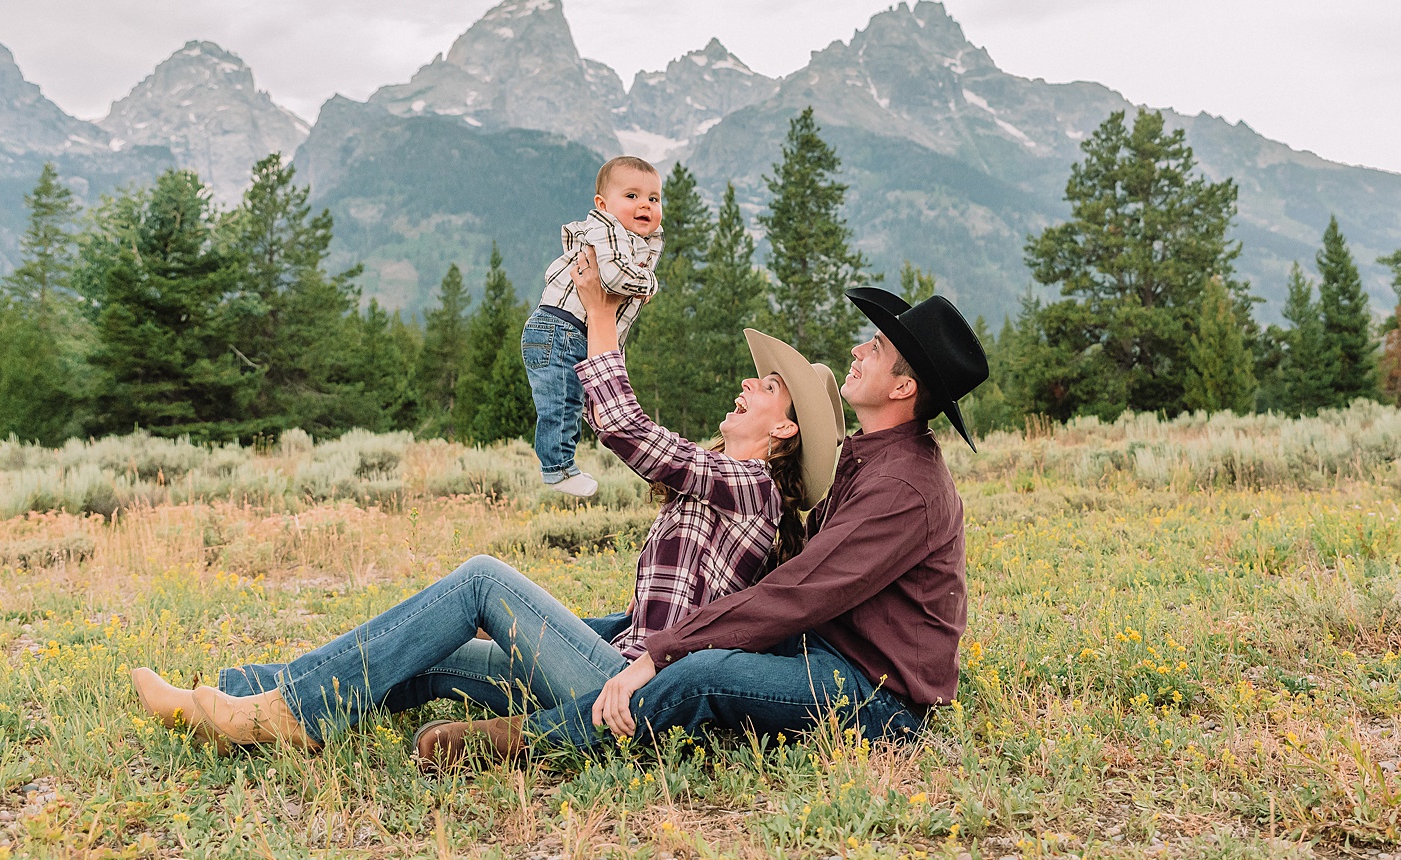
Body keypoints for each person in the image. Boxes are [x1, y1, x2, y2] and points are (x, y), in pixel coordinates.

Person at [128, 244, 844, 758]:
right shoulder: (723, 483)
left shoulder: (753, 489)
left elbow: (627, 429)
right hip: (612, 666)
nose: (747, 385)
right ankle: (234, 698)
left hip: (623, 694)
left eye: (767, 387)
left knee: (480, 579)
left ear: (784, 430)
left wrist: (599, 313)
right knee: (426, 650)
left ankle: (281, 716)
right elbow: (650, 610)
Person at [417, 282, 992, 765]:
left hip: (873, 695)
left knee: (701, 672)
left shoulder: (903, 487)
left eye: (878, 346)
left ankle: (532, 741)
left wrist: (660, 654)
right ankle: (402, 678)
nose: (859, 348)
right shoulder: (874, 461)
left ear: (903, 387)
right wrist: (649, 640)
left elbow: (801, 590)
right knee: (650, 642)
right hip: (817, 650)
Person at [527, 154, 664, 497]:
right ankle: (558, 469)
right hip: (561, 328)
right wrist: (649, 283)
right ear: (603, 205)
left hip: (574, 331)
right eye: (631, 196)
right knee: (561, 402)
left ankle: (567, 464)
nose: (645, 205)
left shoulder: (633, 240)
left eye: (653, 198)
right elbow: (615, 277)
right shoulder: (607, 230)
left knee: (579, 401)